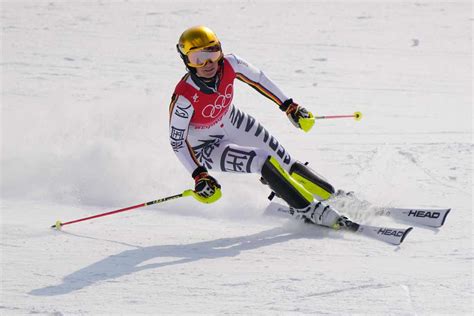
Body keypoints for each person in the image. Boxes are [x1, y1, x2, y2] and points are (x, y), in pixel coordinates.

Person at [169, 26, 354, 230]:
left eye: (212, 53)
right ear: (187, 61)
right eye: (198, 58)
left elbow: (258, 79)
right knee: (261, 159)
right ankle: (309, 209)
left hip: (234, 121)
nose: (207, 63)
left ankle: (333, 196)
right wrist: (199, 175)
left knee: (284, 161)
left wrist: (289, 106)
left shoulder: (231, 63)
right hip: (206, 147)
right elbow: (177, 141)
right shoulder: (184, 97)